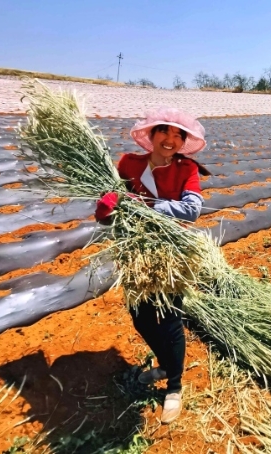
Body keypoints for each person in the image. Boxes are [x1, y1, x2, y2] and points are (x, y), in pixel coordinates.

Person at [94, 107, 208, 423]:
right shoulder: (129, 164)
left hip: (171, 253)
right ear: (152, 134)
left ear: (183, 142)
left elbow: (191, 210)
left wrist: (146, 205)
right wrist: (105, 210)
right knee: (141, 318)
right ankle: (166, 366)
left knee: (170, 320)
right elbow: (113, 209)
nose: (170, 139)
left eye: (178, 135)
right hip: (135, 253)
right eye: (164, 131)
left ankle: (174, 387)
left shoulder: (186, 169)